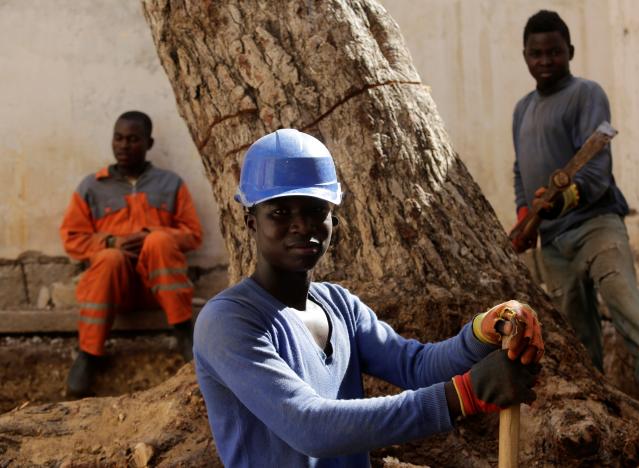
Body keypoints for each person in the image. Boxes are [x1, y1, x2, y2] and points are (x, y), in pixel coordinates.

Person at [194, 128, 544, 467]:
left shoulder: (340, 306)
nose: (301, 225)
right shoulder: (228, 321)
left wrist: (486, 329)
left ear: (333, 216)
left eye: (315, 209)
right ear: (252, 223)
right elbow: (310, 427)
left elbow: (417, 367)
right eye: (280, 213)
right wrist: (463, 395)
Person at [510, 10, 639, 419]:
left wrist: (565, 198)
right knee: (576, 335)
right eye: (536, 54)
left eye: (554, 52)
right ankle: (597, 416)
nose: (545, 61)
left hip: (597, 226)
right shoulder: (522, 110)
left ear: (569, 51)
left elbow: (596, 169)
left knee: (629, 312)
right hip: (554, 242)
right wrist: (526, 216)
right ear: (525, 57)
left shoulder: (587, 94)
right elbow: (521, 168)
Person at [60, 110, 203, 397]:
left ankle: (183, 332)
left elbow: (193, 234)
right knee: (110, 258)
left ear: (148, 144)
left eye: (133, 139)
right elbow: (72, 238)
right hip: (115, 291)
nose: (124, 145)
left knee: (160, 241)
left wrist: (152, 234)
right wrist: (110, 242)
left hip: (159, 291)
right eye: (119, 138)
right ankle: (89, 352)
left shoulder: (170, 184)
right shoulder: (92, 186)